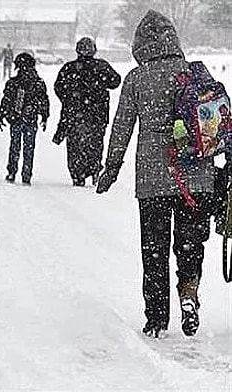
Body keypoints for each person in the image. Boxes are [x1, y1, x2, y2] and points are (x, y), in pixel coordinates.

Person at [96, 10, 220, 338]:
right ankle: (189, 293)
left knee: (155, 249)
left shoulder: (137, 78)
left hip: (153, 180)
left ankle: (156, 319)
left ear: (140, 44)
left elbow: (122, 126)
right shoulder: (193, 73)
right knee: (190, 244)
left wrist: (111, 167)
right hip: (196, 177)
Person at [53, 37, 121, 186]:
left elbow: (58, 87)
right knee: (95, 144)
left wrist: (69, 99)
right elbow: (115, 81)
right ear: (93, 50)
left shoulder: (69, 68)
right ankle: (94, 168)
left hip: (74, 114)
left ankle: (78, 174)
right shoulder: (101, 66)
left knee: (75, 146)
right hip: (98, 115)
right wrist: (100, 83)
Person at [0, 52, 50, 185]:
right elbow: (44, 101)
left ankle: (12, 172)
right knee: (29, 147)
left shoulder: (13, 83)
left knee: (15, 146)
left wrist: (1, 115)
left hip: (16, 118)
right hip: (30, 119)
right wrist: (44, 116)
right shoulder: (38, 83)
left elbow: (6, 101)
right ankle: (26, 174)